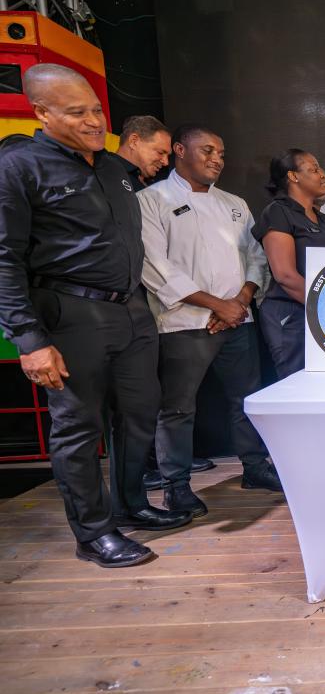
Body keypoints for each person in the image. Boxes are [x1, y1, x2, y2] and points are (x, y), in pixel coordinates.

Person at [0, 64, 191, 568]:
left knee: (139, 415)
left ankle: (131, 506)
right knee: (79, 428)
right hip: (70, 314)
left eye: (96, 110)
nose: (92, 121)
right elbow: (4, 257)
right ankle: (93, 533)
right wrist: (28, 339)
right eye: (76, 112)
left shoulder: (111, 168)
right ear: (42, 113)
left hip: (131, 311)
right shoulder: (19, 166)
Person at [139, 124, 281, 516]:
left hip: (237, 320)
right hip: (183, 322)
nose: (217, 159)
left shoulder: (234, 203)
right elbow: (155, 266)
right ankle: (176, 487)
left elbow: (256, 257)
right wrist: (216, 305)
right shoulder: (151, 200)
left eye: (220, 153)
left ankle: (255, 468)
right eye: (207, 151)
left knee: (246, 400)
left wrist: (240, 301)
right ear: (179, 150)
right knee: (178, 409)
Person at [252, 149, 325, 378]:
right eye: (314, 169)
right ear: (293, 176)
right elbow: (284, 275)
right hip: (292, 315)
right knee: (297, 384)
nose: (323, 174)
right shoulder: (278, 212)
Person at [114, 115, 171, 189]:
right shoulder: (106, 175)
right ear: (134, 141)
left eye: (168, 156)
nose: (166, 162)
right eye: (160, 152)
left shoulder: (153, 180)